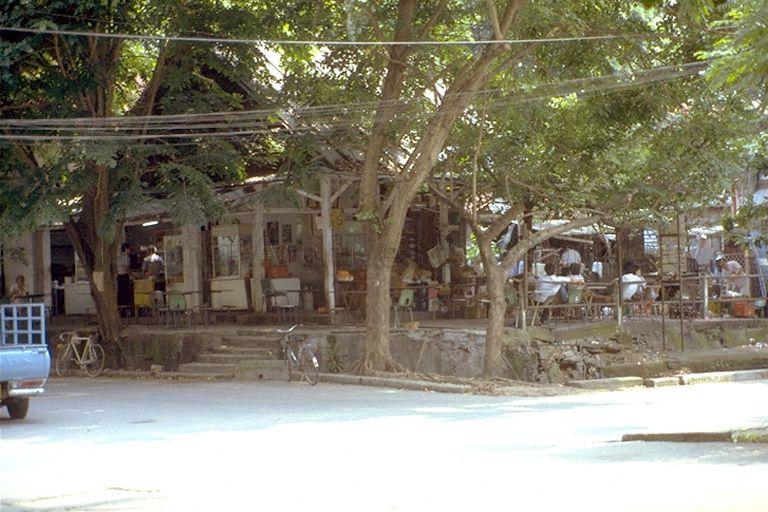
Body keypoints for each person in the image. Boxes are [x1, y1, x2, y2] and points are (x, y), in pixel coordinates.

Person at [117, 243, 133, 315]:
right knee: (126, 293)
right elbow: (126, 268)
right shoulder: (126, 257)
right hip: (124, 276)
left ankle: (121, 310)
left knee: (121, 294)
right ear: (126, 249)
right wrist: (131, 275)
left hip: (119, 277)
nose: (130, 250)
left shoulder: (119, 257)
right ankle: (126, 310)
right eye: (129, 249)